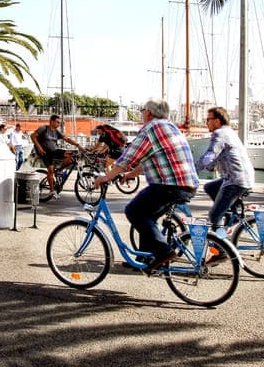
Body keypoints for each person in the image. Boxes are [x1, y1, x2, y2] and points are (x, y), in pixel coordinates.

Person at [94, 99, 200, 272]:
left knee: (134, 211)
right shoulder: (169, 127)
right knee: (146, 215)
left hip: (170, 185)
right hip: (186, 185)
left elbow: (129, 156)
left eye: (143, 110)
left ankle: (164, 251)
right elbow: (146, 160)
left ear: (149, 112)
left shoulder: (151, 128)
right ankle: (143, 256)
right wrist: (129, 175)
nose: (142, 113)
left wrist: (106, 177)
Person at [196, 106, 255, 235]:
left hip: (235, 181)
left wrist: (192, 170)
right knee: (210, 187)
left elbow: (210, 155)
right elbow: (219, 156)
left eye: (208, 119)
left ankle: (221, 251)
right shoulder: (229, 132)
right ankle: (232, 212)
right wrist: (210, 167)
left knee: (214, 215)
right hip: (243, 177)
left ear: (217, 121)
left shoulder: (219, 133)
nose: (207, 122)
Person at [31, 114, 82, 200]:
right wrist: (39, 147)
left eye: (59, 123)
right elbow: (32, 136)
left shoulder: (56, 132)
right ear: (51, 121)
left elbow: (67, 139)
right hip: (44, 152)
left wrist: (77, 145)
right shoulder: (44, 129)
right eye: (57, 122)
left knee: (71, 155)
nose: (59, 124)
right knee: (50, 170)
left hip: (54, 151)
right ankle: (51, 191)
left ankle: (59, 171)